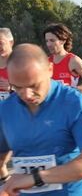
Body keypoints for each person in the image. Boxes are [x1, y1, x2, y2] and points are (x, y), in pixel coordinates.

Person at [0, 44, 82, 195]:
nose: (27, 95)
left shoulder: (75, 103)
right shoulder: (5, 109)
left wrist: (36, 177)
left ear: (50, 70)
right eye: (17, 87)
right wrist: (5, 183)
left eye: (34, 86)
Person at [43, 23, 82, 92]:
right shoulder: (46, 62)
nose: (49, 44)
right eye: (47, 41)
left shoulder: (73, 60)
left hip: (69, 101)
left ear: (63, 41)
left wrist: (72, 90)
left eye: (52, 40)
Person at [0, 28, 14, 187]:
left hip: (19, 121)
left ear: (11, 43)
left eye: (1, 43)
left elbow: (35, 90)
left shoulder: (19, 64)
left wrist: (12, 88)